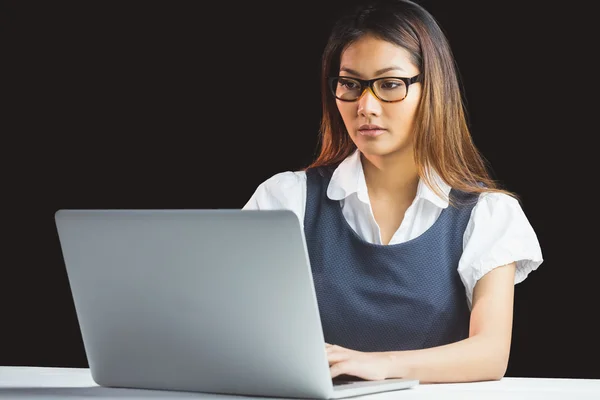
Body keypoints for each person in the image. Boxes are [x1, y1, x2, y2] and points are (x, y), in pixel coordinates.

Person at [242, 0, 543, 385]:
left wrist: (380, 365)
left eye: (389, 84)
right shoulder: (285, 200)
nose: (366, 106)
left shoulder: (487, 214)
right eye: (350, 84)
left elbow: (490, 353)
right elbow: (237, 325)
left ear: (432, 90)